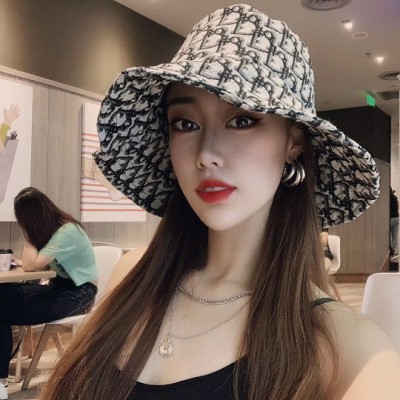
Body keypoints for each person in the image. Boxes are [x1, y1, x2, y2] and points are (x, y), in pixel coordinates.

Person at [41, 4, 400, 400]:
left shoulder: (347, 348)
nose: (207, 154)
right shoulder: (133, 275)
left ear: (294, 142)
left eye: (241, 121)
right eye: (186, 124)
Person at [0, 187, 98, 399]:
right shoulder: (57, 231)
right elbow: (38, 264)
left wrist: (28, 234)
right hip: (60, 289)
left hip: (80, 295)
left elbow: (30, 265)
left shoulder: (67, 232)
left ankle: (1, 383)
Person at [390, 187, 399, 257]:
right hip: (396, 217)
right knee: (395, 236)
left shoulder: (388, 199)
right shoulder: (395, 198)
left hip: (390, 218)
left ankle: (390, 251)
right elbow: (398, 207)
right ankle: (393, 250)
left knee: (388, 235)